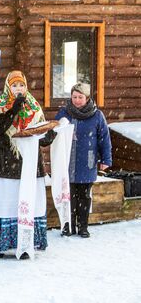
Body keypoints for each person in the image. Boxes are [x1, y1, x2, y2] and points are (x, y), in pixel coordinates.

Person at [0, 71, 55, 258]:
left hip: (30, 162)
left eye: (21, 85)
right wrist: (13, 110)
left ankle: (26, 242)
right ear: (8, 87)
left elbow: (40, 134)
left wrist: (49, 135)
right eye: (14, 86)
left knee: (28, 200)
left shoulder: (33, 106)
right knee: (6, 201)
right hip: (7, 160)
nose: (19, 89)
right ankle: (0, 244)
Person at [56, 82, 112, 238]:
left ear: (87, 98)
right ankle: (68, 226)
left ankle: (83, 227)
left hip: (87, 161)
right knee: (68, 195)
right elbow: (55, 131)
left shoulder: (97, 115)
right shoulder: (64, 113)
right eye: (74, 97)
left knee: (84, 196)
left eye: (80, 97)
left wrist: (106, 159)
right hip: (67, 161)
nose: (77, 100)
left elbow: (104, 139)